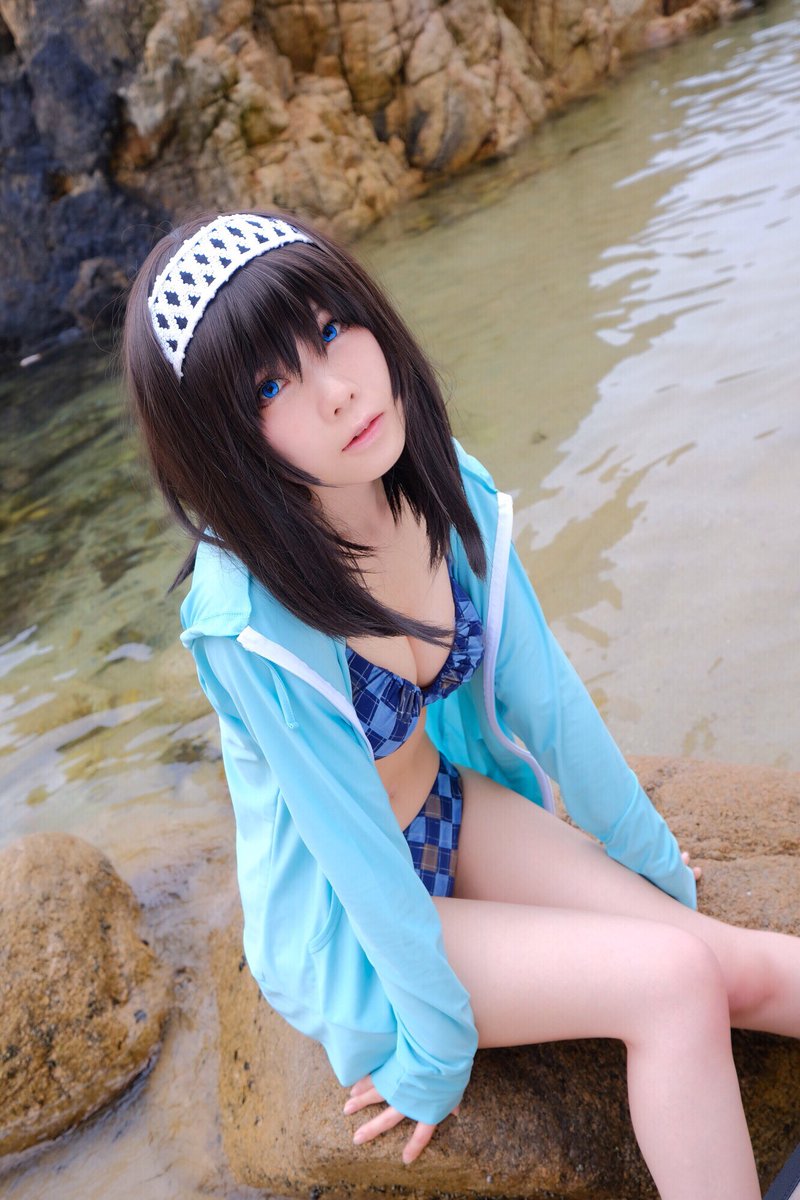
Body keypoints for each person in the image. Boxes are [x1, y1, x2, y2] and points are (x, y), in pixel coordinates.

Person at [122, 210, 800, 1200]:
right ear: (221, 442)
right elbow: (353, 852)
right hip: (354, 925)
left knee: (736, 964)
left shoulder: (445, 489)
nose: (336, 388)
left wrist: (653, 865)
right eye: (270, 387)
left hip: (445, 810)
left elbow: (551, 705)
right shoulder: (250, 626)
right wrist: (432, 1054)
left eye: (329, 330)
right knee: (672, 983)